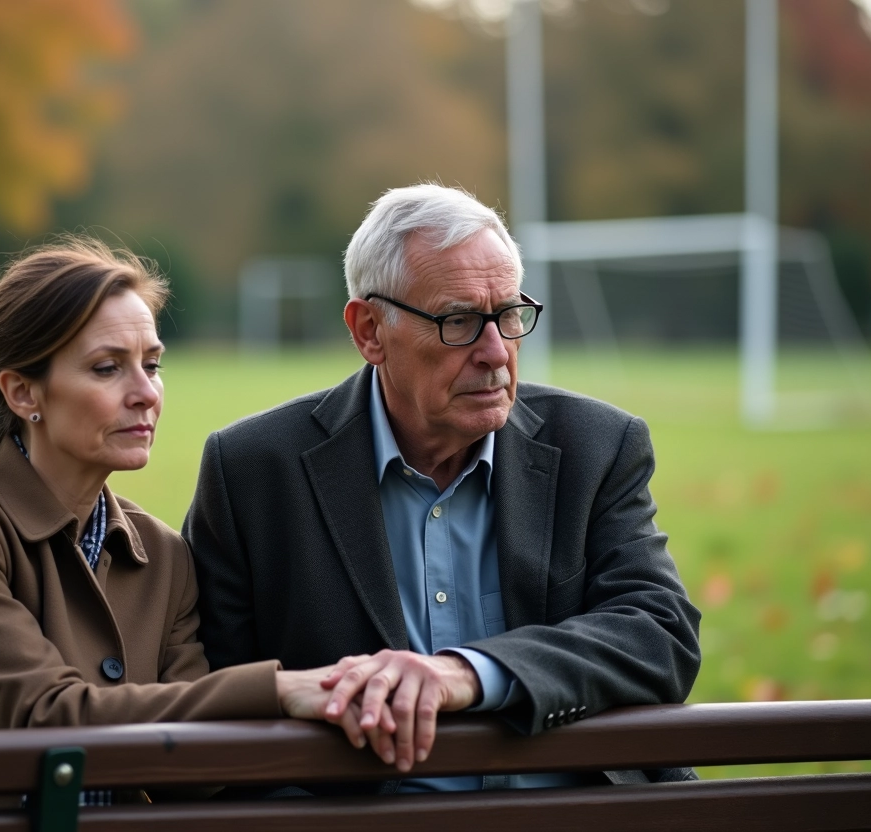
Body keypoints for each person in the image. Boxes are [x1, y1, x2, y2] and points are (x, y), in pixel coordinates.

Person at [184, 184, 702, 793]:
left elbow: (658, 630)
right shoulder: (253, 470)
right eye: (458, 321)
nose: (496, 353)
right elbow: (218, 704)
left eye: (509, 315)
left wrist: (469, 674)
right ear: (369, 330)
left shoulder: (596, 446)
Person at [0, 237, 374, 813]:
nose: (145, 394)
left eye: (153, 364)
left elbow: (193, 778)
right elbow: (46, 716)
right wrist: (278, 690)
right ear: (22, 392)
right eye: (107, 368)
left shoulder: (163, 556)